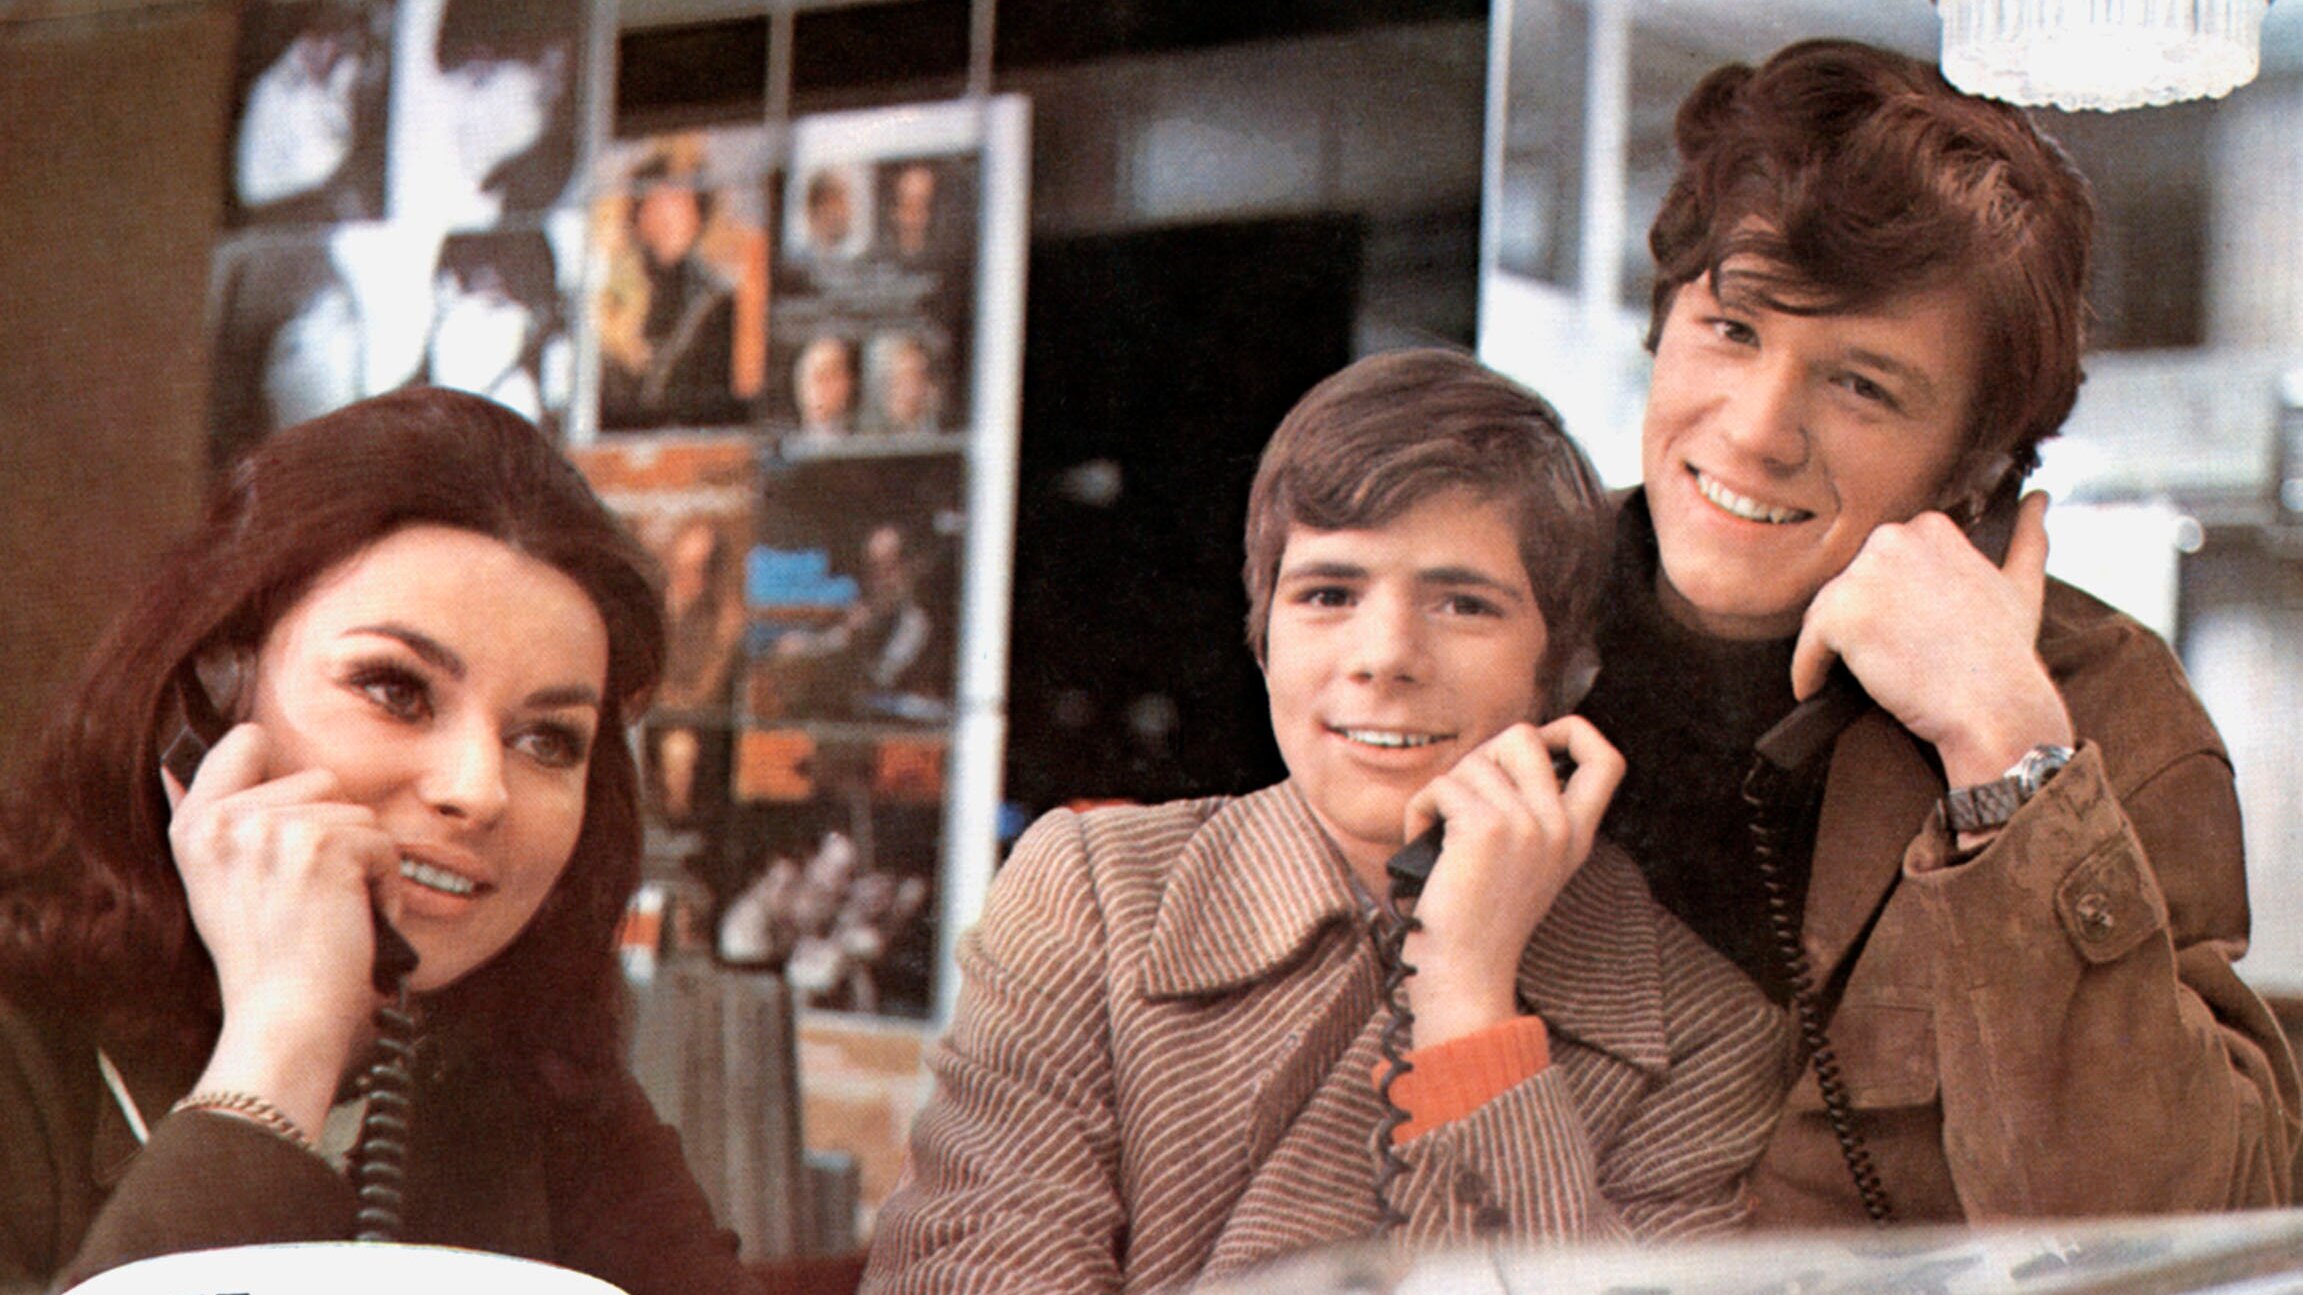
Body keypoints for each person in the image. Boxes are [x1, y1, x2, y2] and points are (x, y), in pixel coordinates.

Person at [864, 349, 1792, 1293]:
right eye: (1328, 594)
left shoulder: (1702, 1030)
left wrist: (1468, 996)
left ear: (1566, 667)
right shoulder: (1093, 890)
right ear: (1264, 636)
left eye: (1463, 603)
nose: (1383, 655)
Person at [1574, 39, 2299, 1227]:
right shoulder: (1481, 600)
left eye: (1859, 385)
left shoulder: (2103, 708)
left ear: (1973, 467)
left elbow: (2169, 1233)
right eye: (1732, 330)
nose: (1753, 430)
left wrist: (2005, 759)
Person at [0, 388, 758, 1293]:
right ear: (204, 699)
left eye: (548, 740)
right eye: (397, 690)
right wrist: (280, 1047)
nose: (478, 790)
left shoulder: (541, 1085)